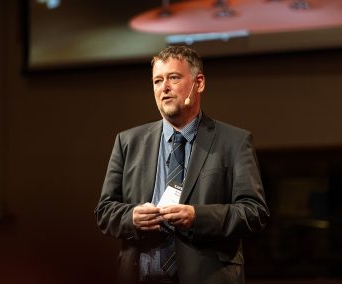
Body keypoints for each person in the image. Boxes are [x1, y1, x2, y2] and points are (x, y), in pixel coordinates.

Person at [94, 46, 269, 284]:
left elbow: (254, 213)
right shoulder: (128, 142)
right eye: (157, 81)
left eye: (173, 78)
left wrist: (198, 217)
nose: (164, 88)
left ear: (199, 83)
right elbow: (105, 211)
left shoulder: (233, 142)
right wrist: (132, 216)